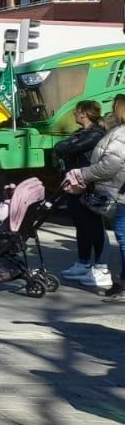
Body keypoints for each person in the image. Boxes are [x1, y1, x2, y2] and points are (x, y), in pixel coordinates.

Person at [64, 94, 125, 302]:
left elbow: (111, 164)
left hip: (118, 193)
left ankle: (111, 276)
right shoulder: (115, 133)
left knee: (122, 238)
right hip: (116, 190)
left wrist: (83, 173)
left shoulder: (117, 134)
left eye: (115, 108)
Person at [56, 100, 110, 288]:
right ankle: (83, 262)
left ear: (83, 114)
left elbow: (67, 148)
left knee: (95, 225)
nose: (73, 114)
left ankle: (102, 266)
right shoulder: (81, 133)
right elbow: (61, 146)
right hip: (74, 185)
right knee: (81, 224)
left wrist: (65, 147)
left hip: (89, 185)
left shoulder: (95, 134)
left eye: (76, 111)